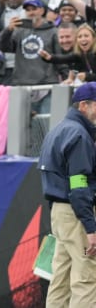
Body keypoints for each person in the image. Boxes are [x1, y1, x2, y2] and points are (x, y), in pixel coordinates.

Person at [37, 82, 96, 306]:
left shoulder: (59, 129)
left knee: (60, 278)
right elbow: (79, 185)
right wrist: (91, 227)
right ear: (84, 105)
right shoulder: (79, 134)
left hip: (61, 214)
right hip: (76, 213)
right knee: (87, 278)